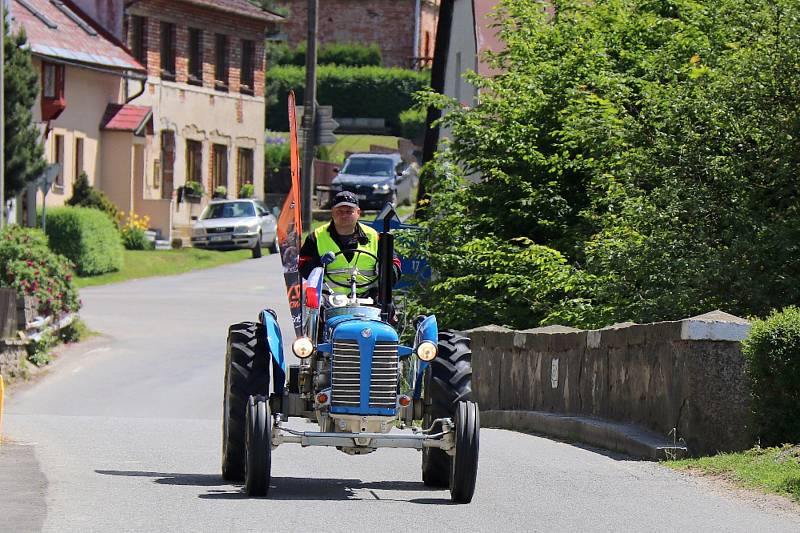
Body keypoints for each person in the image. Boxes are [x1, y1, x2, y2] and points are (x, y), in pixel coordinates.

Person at [299, 191, 401, 297]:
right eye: (339, 211)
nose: (344, 215)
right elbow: (303, 268)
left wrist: (385, 269)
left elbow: (394, 266)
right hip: (328, 300)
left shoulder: (375, 237)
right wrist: (318, 262)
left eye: (349, 211)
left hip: (369, 299)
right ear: (332, 213)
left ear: (358, 213)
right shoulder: (316, 237)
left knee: (388, 309)